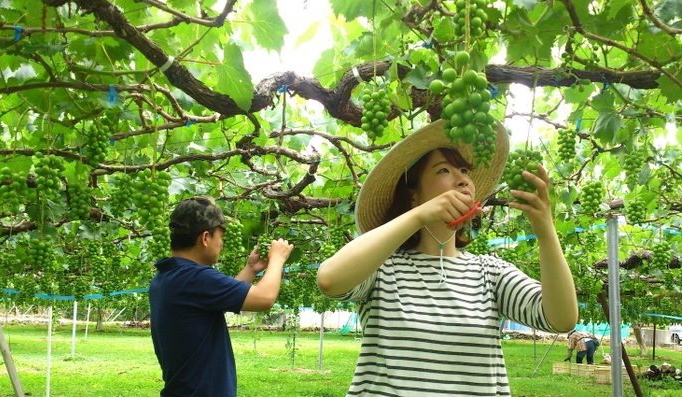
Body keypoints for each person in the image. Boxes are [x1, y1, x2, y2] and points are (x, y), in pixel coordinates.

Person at [316, 120, 578, 396]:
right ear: (413, 195)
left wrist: (546, 231)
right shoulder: (383, 268)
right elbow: (330, 280)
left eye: (464, 170)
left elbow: (561, 319)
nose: (464, 178)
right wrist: (419, 216)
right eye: (444, 170)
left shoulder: (491, 273)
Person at [149, 195, 294, 397]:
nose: (222, 244)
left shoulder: (167, 276)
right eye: (221, 237)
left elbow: (220, 299)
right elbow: (265, 298)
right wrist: (277, 259)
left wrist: (251, 269)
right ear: (206, 238)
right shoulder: (195, 277)